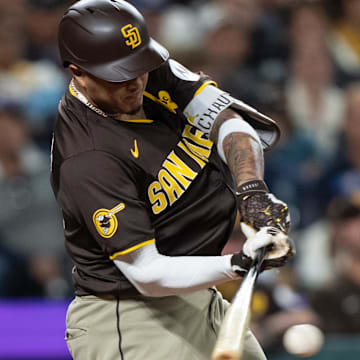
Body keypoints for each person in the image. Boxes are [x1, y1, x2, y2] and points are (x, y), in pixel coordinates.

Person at [51, 1, 294, 359]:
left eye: (140, 66)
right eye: (120, 73)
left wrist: (252, 192)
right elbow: (146, 273)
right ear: (78, 72)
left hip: (198, 294)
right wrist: (237, 263)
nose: (136, 81)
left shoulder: (144, 71)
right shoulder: (88, 157)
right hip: (132, 317)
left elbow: (230, 123)